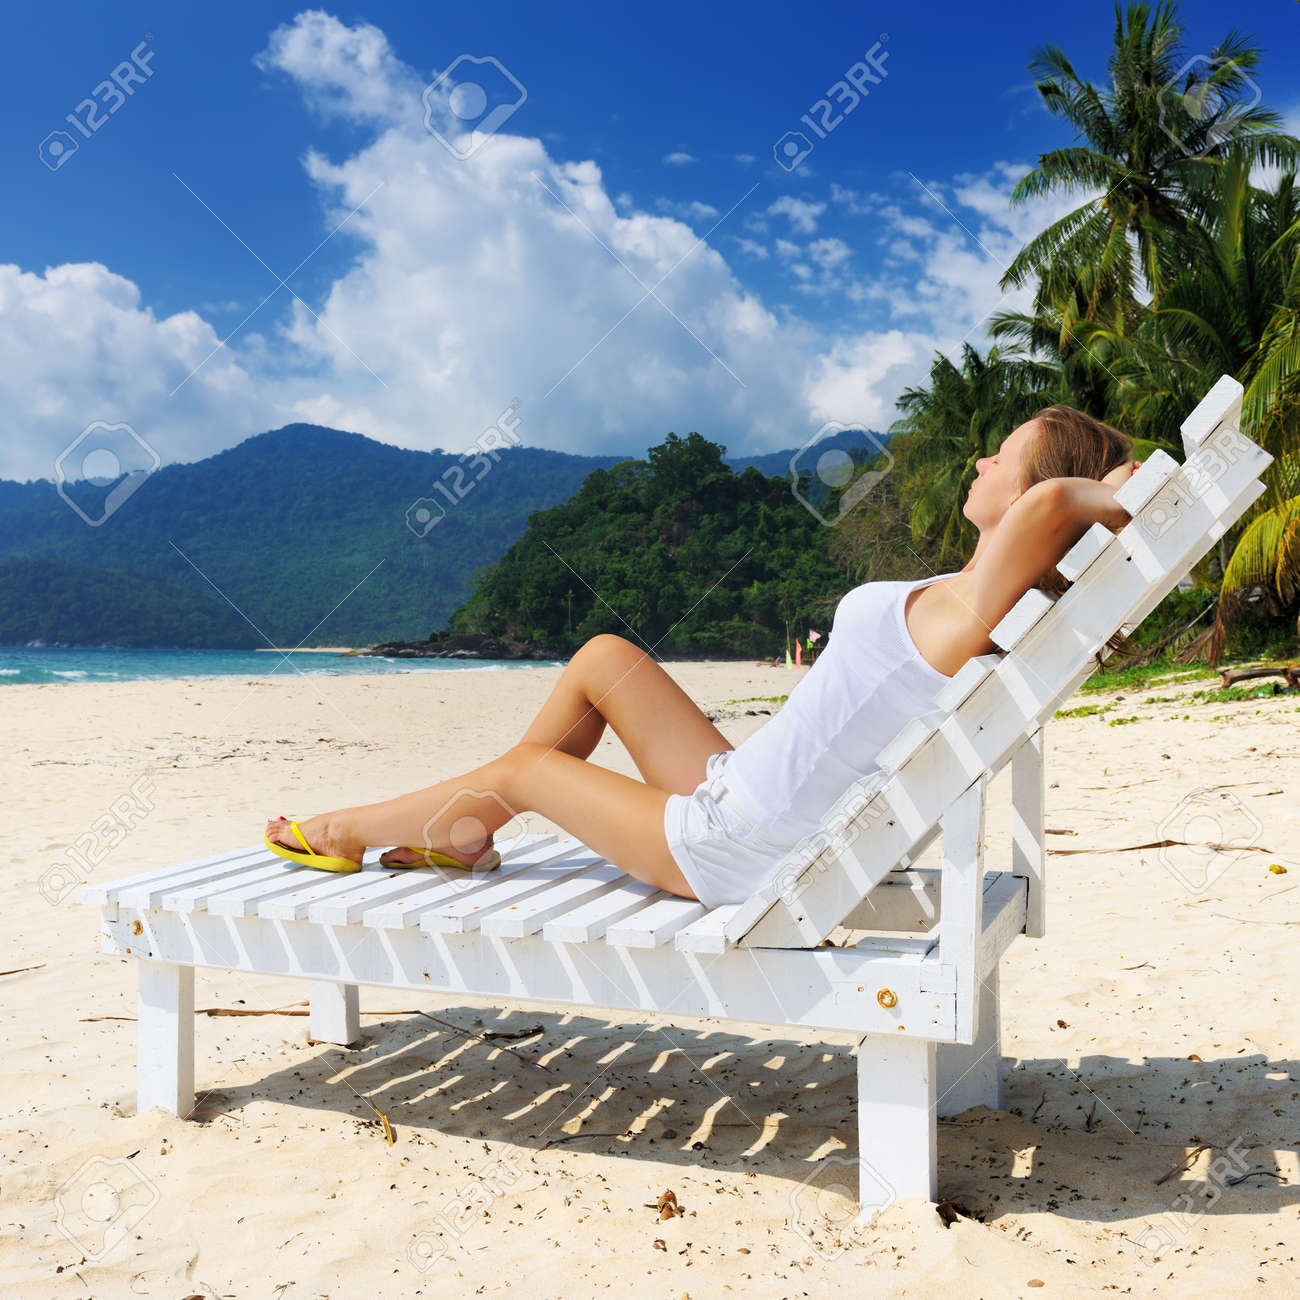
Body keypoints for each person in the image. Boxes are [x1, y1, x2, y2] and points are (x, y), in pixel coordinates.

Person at [265, 406, 1140, 908]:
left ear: (1034, 496)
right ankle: (467, 831)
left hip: (736, 845)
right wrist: (1092, 494)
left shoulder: (971, 611)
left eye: (1004, 455)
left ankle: (348, 832)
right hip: (738, 790)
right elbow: (1047, 506)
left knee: (527, 770)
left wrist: (1101, 490)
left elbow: (1053, 503)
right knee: (604, 657)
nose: (981, 459)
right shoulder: (963, 595)